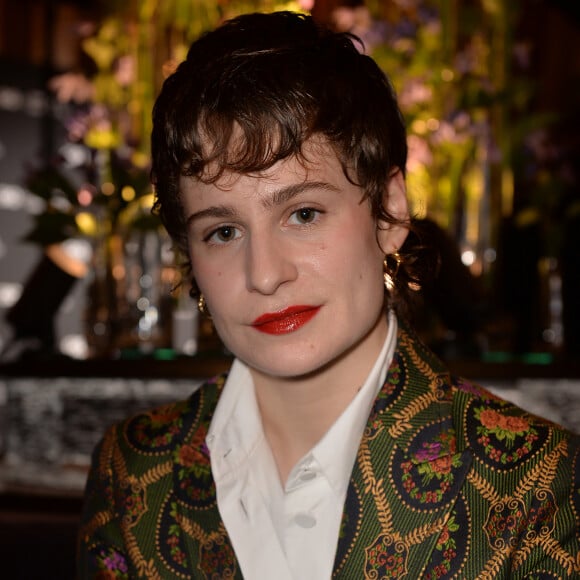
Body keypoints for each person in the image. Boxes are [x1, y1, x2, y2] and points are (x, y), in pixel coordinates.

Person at [77, 11, 580, 579]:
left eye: (303, 213)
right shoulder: (134, 469)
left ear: (388, 210)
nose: (264, 275)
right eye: (223, 231)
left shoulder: (537, 483)